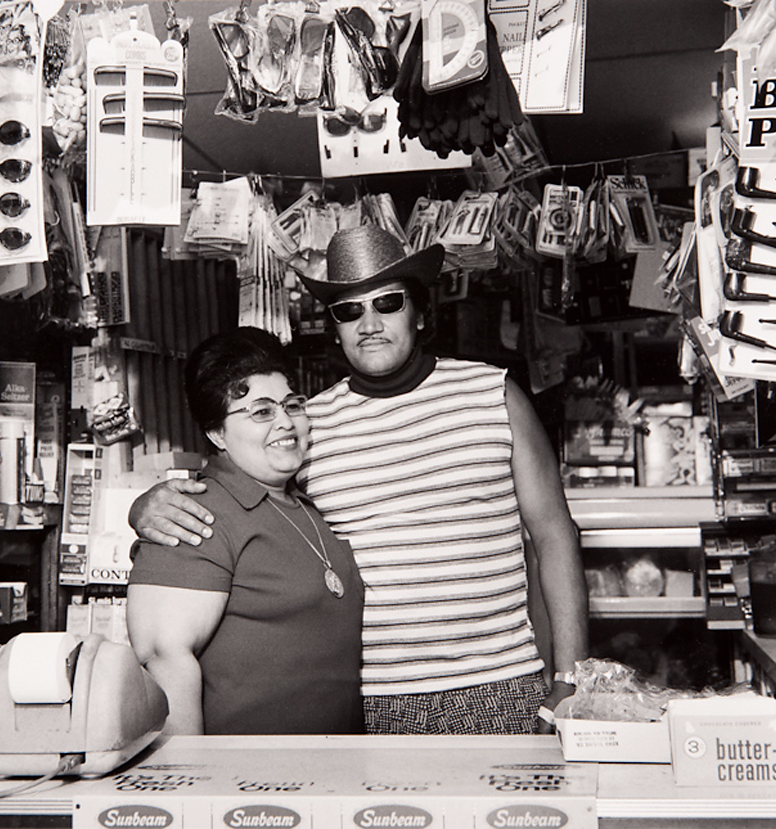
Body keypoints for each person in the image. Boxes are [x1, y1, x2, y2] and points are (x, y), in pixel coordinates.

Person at [129, 224, 588, 735]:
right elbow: (243, 483)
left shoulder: (492, 395)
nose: (369, 323)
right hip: (371, 701)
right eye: (349, 310)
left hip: (500, 685)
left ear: (419, 311)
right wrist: (149, 504)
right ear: (335, 327)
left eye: (388, 303)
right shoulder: (308, 421)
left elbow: (553, 534)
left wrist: (571, 676)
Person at [126, 327, 364, 736]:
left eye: (292, 405)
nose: (286, 423)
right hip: (247, 781)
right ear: (216, 433)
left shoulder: (305, 501)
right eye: (261, 412)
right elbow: (163, 655)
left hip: (335, 773)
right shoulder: (192, 514)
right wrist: (191, 780)